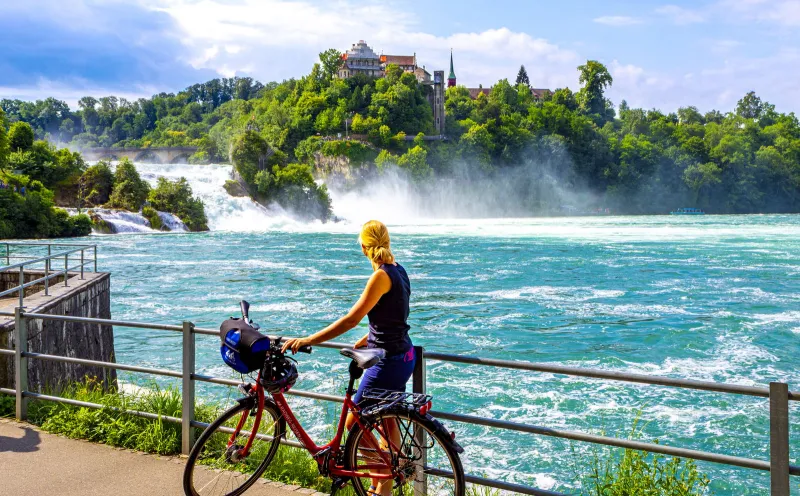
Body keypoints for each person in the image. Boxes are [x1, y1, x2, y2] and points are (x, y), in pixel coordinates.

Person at [282, 219, 414, 496]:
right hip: (405, 356)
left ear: (365, 247)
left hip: (388, 361)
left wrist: (309, 340)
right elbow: (395, 314)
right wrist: (371, 337)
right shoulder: (399, 271)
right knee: (386, 420)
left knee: (356, 425)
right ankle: (385, 480)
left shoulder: (380, 276)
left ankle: (383, 484)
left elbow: (351, 319)